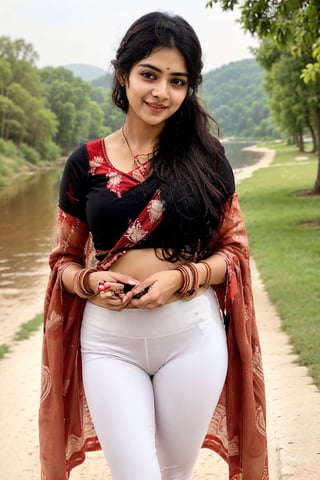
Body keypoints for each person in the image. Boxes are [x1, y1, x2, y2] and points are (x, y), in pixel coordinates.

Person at [39, 11, 268, 480]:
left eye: (177, 81)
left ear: (188, 89)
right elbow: (62, 258)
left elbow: (236, 252)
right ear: (123, 75)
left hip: (191, 338)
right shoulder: (86, 163)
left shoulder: (207, 159)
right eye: (150, 74)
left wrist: (183, 278)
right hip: (108, 342)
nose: (161, 92)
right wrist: (88, 280)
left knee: (172, 473)